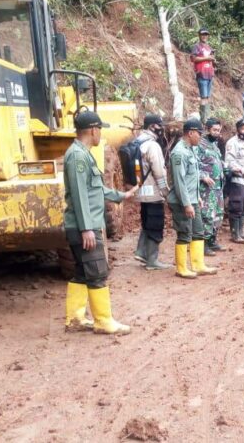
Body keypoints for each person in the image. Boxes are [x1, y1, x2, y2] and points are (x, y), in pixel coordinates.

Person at [64, 110, 137, 335]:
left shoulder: (82, 154)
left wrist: (120, 196)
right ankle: (103, 321)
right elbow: (79, 195)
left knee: (82, 272)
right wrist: (87, 228)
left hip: (83, 225)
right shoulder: (78, 156)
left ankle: (75, 318)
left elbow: (94, 189)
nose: (100, 134)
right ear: (93, 130)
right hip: (85, 226)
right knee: (97, 272)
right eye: (100, 130)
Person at [168, 118, 218, 279]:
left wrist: (196, 198)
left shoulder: (190, 149)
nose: (200, 137)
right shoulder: (179, 152)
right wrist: (187, 204)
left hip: (192, 200)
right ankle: (181, 268)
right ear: (190, 133)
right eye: (199, 134)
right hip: (182, 202)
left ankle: (198, 264)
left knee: (198, 232)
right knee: (184, 233)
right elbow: (179, 182)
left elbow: (193, 178)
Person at [133, 114, 172, 270]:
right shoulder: (152, 145)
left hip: (141, 190)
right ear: (151, 126)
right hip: (153, 192)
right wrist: (165, 192)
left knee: (147, 222)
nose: (161, 129)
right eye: (159, 125)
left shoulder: (137, 141)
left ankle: (141, 252)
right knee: (155, 224)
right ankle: (152, 261)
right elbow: (159, 172)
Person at [198, 117, 226, 256]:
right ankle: (203, 244)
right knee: (207, 216)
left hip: (218, 186)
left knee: (218, 215)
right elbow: (193, 165)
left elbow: (218, 162)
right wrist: (203, 176)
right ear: (207, 129)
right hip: (206, 189)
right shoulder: (199, 145)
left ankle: (212, 241)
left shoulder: (214, 145)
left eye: (218, 131)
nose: (217, 133)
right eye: (214, 130)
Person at [190, 28, 216, 122]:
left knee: (207, 97)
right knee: (203, 97)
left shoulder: (209, 47)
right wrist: (207, 58)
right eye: (202, 34)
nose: (204, 36)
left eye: (206, 34)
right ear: (199, 35)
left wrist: (212, 60)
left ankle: (207, 118)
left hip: (209, 74)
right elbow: (193, 58)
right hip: (201, 73)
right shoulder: (197, 46)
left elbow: (212, 60)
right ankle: (204, 120)